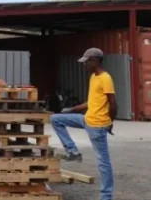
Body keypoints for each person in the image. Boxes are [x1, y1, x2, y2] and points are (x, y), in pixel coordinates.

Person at [51, 48, 116, 200]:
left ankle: (106, 196)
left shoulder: (105, 78)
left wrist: (109, 122)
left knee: (103, 163)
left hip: (97, 126)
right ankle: (72, 151)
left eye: (86, 62)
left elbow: (113, 103)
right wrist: (74, 109)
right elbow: (92, 101)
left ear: (94, 61)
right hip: (87, 119)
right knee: (55, 119)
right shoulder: (93, 77)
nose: (84, 64)